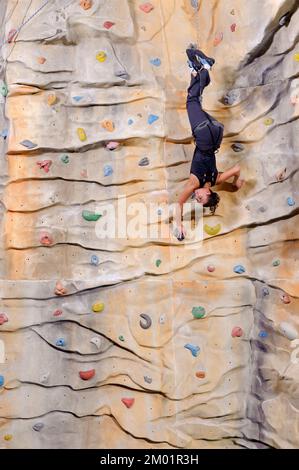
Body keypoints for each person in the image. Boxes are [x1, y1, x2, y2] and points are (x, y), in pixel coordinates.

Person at [174, 44, 244, 241]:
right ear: (209, 191)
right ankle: (205, 67)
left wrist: (236, 182)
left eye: (197, 200)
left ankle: (195, 71)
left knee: (195, 99)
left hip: (216, 132)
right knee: (191, 102)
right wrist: (179, 226)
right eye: (202, 198)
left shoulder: (216, 179)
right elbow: (179, 204)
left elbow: (237, 168)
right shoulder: (193, 183)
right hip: (204, 135)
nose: (197, 197)